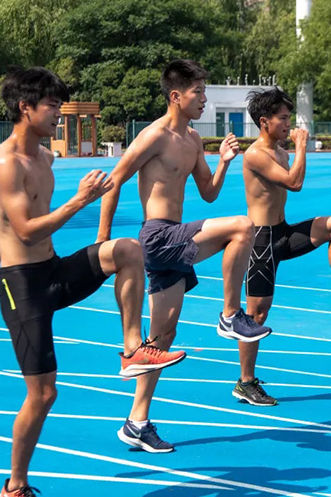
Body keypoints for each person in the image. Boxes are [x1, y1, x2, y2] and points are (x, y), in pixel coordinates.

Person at [0, 67, 185, 497]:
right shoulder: (6, 163)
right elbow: (23, 228)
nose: (58, 116)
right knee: (43, 394)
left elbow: (6, 221)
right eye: (51, 107)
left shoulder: (43, 157)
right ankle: (15, 488)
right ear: (25, 108)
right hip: (22, 287)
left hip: (52, 270)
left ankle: (132, 348)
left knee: (127, 250)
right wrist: (80, 201)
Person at [98, 59, 271, 454]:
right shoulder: (154, 136)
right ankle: (231, 315)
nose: (204, 99)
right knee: (243, 227)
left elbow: (208, 193)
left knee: (160, 341)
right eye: (198, 92)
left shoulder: (193, 140)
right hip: (158, 235)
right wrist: (103, 242)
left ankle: (136, 422)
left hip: (173, 241)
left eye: (205, 92)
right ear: (176, 96)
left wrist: (223, 162)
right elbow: (114, 181)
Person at [239, 88, 331, 406]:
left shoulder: (279, 150)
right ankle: (246, 382)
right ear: (264, 121)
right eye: (283, 118)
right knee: (256, 316)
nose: (289, 124)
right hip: (261, 242)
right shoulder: (255, 154)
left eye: (289, 118)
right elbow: (294, 183)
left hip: (283, 232)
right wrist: (301, 146)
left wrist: (295, 150)